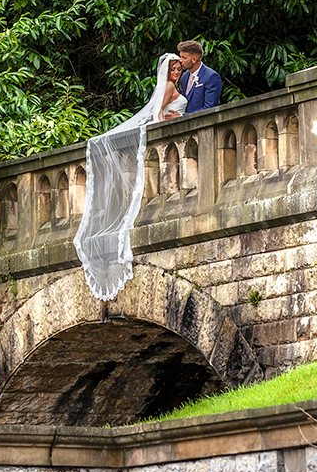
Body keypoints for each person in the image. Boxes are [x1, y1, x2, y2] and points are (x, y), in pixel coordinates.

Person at [74, 52, 181, 301]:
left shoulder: (173, 85)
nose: (177, 72)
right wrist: (170, 119)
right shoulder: (168, 86)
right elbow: (157, 115)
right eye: (174, 68)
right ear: (166, 70)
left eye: (178, 69)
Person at [176, 39, 222, 113]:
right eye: (180, 56)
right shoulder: (183, 77)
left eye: (184, 58)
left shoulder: (211, 77)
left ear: (194, 59)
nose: (180, 60)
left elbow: (209, 109)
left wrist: (182, 117)